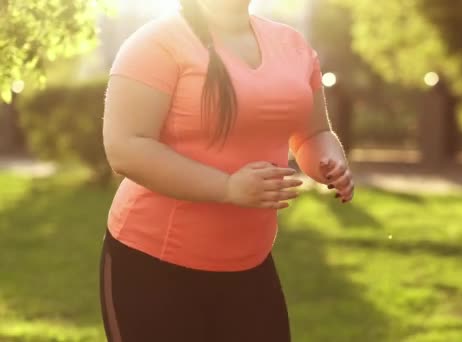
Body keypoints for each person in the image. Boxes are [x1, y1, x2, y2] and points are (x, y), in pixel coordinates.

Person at [99, 0, 354, 341]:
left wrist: (329, 164)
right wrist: (227, 187)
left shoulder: (292, 45)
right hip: (153, 263)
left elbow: (313, 133)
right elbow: (126, 149)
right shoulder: (155, 43)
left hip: (250, 263)